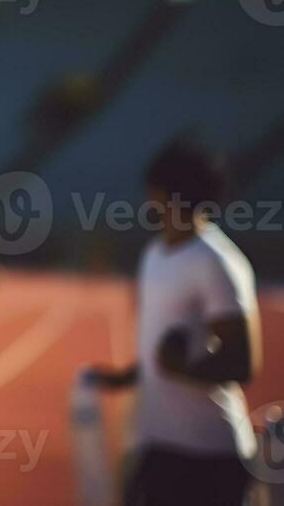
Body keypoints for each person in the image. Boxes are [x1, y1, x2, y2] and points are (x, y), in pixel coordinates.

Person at [83, 138, 262, 506]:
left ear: (171, 194)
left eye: (156, 189)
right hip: (158, 444)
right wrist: (127, 377)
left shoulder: (216, 261)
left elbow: (243, 361)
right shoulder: (155, 253)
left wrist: (180, 367)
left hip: (209, 455)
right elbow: (158, 347)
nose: (150, 198)